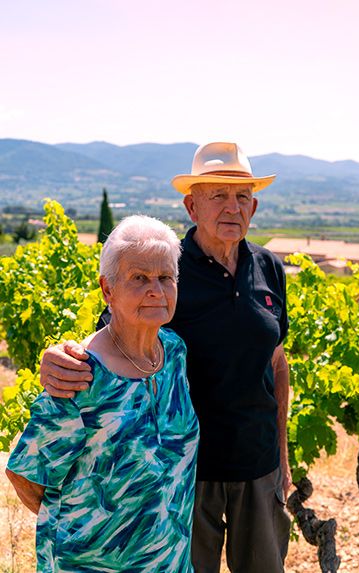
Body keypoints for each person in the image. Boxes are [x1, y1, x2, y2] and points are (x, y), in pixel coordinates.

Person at [40, 142, 292, 573]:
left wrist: (283, 460)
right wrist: (58, 356)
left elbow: (276, 364)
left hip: (258, 465)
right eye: (218, 196)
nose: (232, 207)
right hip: (181, 473)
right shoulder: (167, 271)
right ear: (192, 206)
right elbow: (109, 337)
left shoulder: (268, 268)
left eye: (242, 196)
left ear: (253, 206)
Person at [6, 215, 199, 572]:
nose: (156, 289)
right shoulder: (80, 376)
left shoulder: (173, 353)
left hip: (170, 561)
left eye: (165, 277)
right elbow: (25, 475)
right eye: (139, 278)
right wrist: (88, 527)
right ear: (108, 290)